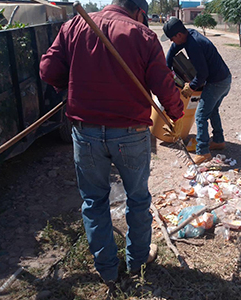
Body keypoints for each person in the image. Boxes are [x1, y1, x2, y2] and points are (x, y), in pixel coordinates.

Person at [39, 0, 184, 296]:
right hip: (130, 133)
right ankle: (137, 264)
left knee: (94, 202)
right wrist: (176, 111)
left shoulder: (72, 26)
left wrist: (66, 89)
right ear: (139, 11)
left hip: (86, 132)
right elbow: (163, 82)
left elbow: (47, 69)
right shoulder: (142, 35)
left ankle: (107, 271)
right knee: (138, 199)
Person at [162, 18, 232, 165]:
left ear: (179, 34)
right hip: (225, 79)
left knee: (201, 115)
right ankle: (218, 141)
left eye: (172, 38)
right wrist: (166, 69)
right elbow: (173, 49)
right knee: (212, 110)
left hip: (216, 83)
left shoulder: (194, 45)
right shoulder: (189, 35)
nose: (172, 41)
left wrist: (191, 87)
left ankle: (203, 151)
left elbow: (203, 74)